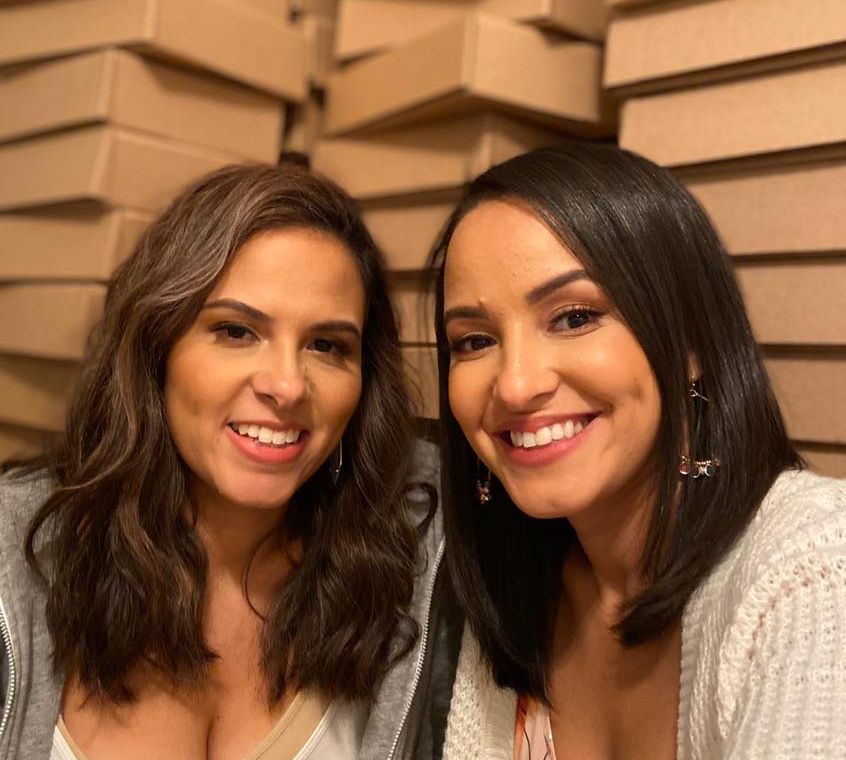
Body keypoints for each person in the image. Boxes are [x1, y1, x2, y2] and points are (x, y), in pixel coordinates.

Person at [0, 162, 446, 760]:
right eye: (237, 332)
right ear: (156, 348)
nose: (287, 386)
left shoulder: (417, 552)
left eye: (326, 345)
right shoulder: (14, 553)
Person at [431, 143, 846, 759]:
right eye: (474, 341)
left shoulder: (816, 567)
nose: (515, 385)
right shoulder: (514, 585)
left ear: (690, 344)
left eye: (574, 318)